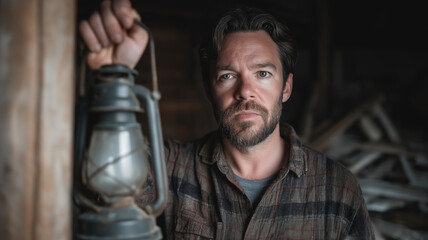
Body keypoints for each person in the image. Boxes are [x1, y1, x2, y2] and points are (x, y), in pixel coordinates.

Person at [79, 1, 375, 239]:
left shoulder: (337, 191)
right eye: (227, 76)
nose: (245, 91)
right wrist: (112, 77)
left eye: (262, 74)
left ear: (286, 88)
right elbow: (95, 185)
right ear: (210, 90)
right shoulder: (167, 170)